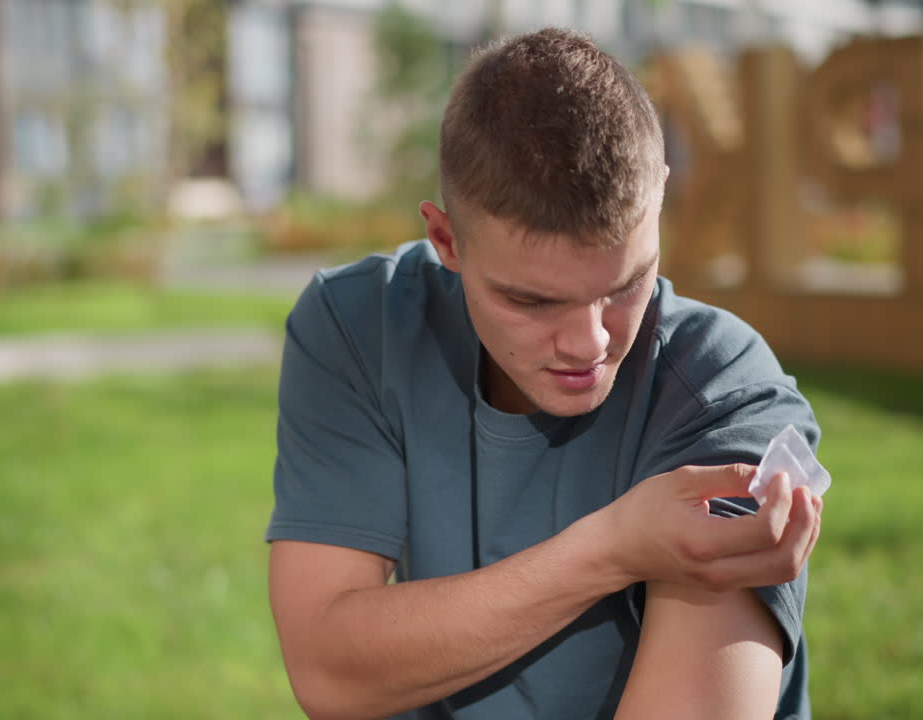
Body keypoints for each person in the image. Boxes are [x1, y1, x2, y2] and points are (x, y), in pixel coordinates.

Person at [266, 27, 824, 720]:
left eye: (627, 283)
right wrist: (614, 549)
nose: (588, 343)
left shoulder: (724, 393)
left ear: (659, 206)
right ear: (446, 239)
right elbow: (329, 674)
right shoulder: (360, 325)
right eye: (531, 300)